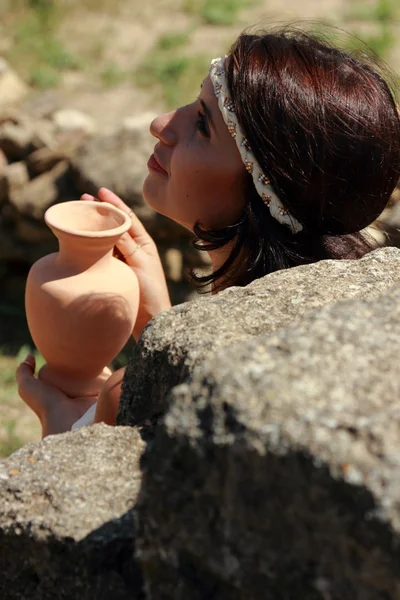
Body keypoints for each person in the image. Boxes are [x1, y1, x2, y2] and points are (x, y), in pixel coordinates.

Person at [16, 27, 400, 437]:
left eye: (202, 124)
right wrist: (161, 328)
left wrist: (66, 429)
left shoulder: (121, 396)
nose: (161, 123)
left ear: (263, 189)